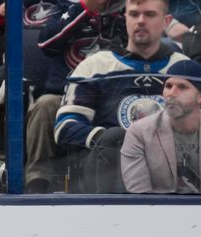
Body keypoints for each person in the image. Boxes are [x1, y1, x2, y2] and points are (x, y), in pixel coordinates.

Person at [54, 0, 188, 193]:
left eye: (150, 15)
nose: (141, 21)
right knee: (116, 138)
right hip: (108, 170)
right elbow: (65, 127)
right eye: (134, 14)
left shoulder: (184, 68)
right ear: (125, 18)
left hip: (171, 168)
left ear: (166, 21)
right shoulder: (95, 66)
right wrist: (112, 140)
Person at [25, 0, 127, 193]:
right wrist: (86, 9)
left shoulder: (130, 14)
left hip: (112, 98)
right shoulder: (68, 10)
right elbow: (45, 43)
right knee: (45, 106)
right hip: (63, 96)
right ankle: (37, 181)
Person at [120, 60, 201, 193]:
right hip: (157, 210)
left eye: (182, 87)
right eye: (168, 86)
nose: (171, 93)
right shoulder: (139, 132)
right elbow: (140, 195)